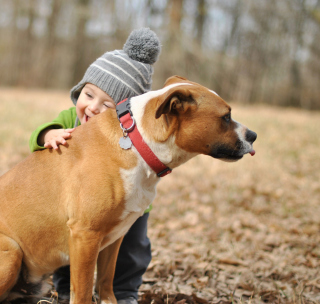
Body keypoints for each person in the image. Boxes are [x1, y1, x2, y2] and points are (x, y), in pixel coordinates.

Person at [29, 28, 161, 304]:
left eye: (107, 105)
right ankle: (67, 289)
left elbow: (143, 164)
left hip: (126, 204)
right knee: (74, 242)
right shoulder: (70, 120)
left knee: (132, 250)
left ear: (124, 114)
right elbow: (36, 139)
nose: (92, 108)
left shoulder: (128, 136)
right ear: (79, 91)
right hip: (74, 204)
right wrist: (49, 134)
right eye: (88, 95)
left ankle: (123, 292)